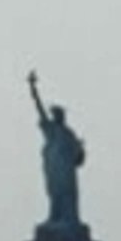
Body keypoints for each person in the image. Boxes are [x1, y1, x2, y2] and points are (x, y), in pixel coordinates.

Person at [27, 71, 85, 226]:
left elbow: (78, 159)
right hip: (54, 168)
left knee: (68, 194)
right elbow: (40, 111)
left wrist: (80, 150)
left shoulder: (69, 134)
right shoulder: (51, 129)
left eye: (59, 113)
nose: (57, 116)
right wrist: (34, 91)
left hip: (66, 170)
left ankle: (67, 219)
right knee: (55, 193)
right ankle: (55, 217)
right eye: (55, 113)